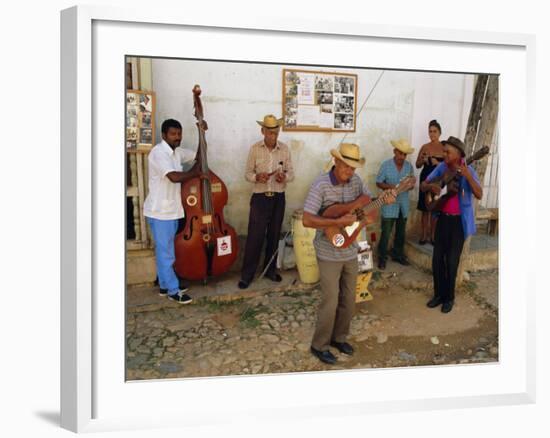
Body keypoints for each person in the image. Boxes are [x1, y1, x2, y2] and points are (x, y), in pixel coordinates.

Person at [303, 143, 396, 365]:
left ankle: (339, 338)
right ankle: (319, 345)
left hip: (350, 248)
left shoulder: (356, 182)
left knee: (348, 297)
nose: (350, 172)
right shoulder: (320, 185)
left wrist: (384, 200)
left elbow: (368, 204)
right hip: (327, 251)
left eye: (353, 168)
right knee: (331, 299)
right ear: (336, 161)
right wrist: (336, 221)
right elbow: (307, 219)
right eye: (346, 167)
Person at [420, 136, 483, 313]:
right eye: (444, 150)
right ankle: (438, 295)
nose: (444, 154)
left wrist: (468, 176)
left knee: (452, 262)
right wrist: (432, 187)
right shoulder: (441, 167)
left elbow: (479, 194)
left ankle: (449, 298)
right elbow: (424, 185)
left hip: (458, 223)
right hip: (442, 219)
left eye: (447, 151)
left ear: (458, 154)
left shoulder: (468, 169)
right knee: (437, 260)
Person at [143, 119, 199, 304]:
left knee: (164, 250)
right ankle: (174, 291)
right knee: (166, 253)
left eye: (179, 134)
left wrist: (202, 133)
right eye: (173, 134)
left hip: (173, 211)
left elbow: (199, 155)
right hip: (160, 212)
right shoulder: (159, 153)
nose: (178, 137)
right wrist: (196, 172)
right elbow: (174, 177)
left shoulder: (177, 152)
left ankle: (164, 285)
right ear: (164, 135)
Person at [238, 115, 295, 289]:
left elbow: (291, 174)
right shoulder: (255, 149)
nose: (273, 136)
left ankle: (270, 270)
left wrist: (284, 176)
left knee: (274, 234)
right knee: (255, 237)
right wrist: (257, 177)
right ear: (263, 131)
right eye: (270, 133)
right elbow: (247, 173)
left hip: (278, 197)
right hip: (260, 198)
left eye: (276, 133)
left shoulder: (284, 149)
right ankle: (247, 275)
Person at [375, 139, 416, 270]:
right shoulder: (386, 165)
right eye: (400, 153)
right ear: (395, 152)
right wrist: (391, 187)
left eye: (405, 154)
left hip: (403, 204)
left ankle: (397, 254)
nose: (402, 157)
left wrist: (408, 186)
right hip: (389, 203)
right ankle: (382, 257)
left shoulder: (409, 167)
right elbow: (378, 182)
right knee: (386, 232)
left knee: (401, 232)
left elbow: (411, 183)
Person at [416, 120, 445, 245]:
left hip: (437, 181)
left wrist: (437, 163)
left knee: (435, 209)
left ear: (439, 132)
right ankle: (423, 235)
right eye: (430, 131)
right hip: (425, 180)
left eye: (434, 131)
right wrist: (423, 160)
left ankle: (433, 235)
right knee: (424, 208)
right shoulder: (425, 147)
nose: (432, 134)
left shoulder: (444, 147)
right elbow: (417, 165)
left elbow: (448, 165)